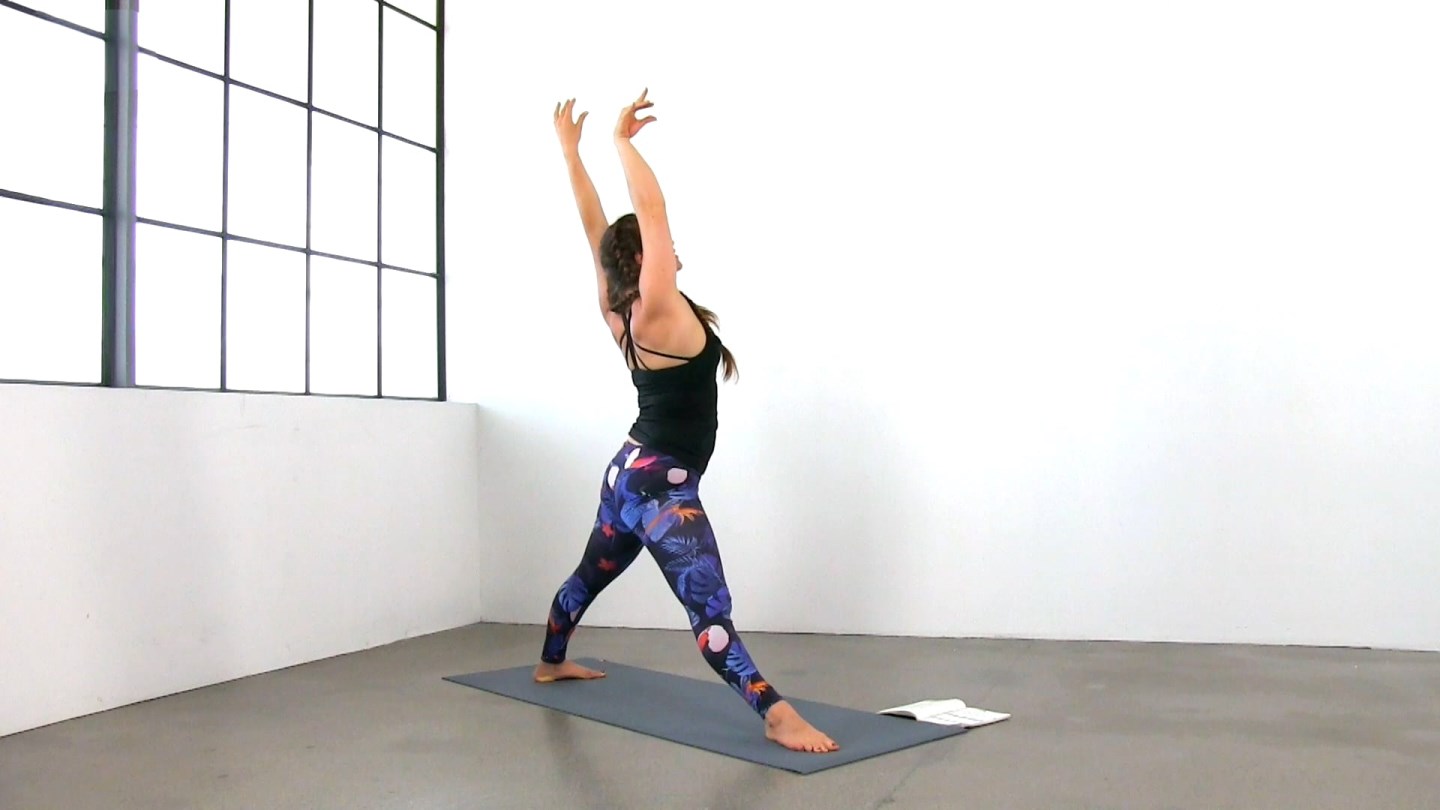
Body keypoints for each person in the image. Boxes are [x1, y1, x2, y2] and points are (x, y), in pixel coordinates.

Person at [533, 90, 839, 755]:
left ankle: (552, 660)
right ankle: (775, 712)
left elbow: (595, 229)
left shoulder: (619, 311)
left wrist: (570, 154)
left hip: (627, 474)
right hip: (660, 488)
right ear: (646, 261)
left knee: (588, 577)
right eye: (662, 250)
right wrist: (621, 143)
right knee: (709, 607)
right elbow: (652, 211)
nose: (673, 251)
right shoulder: (657, 309)